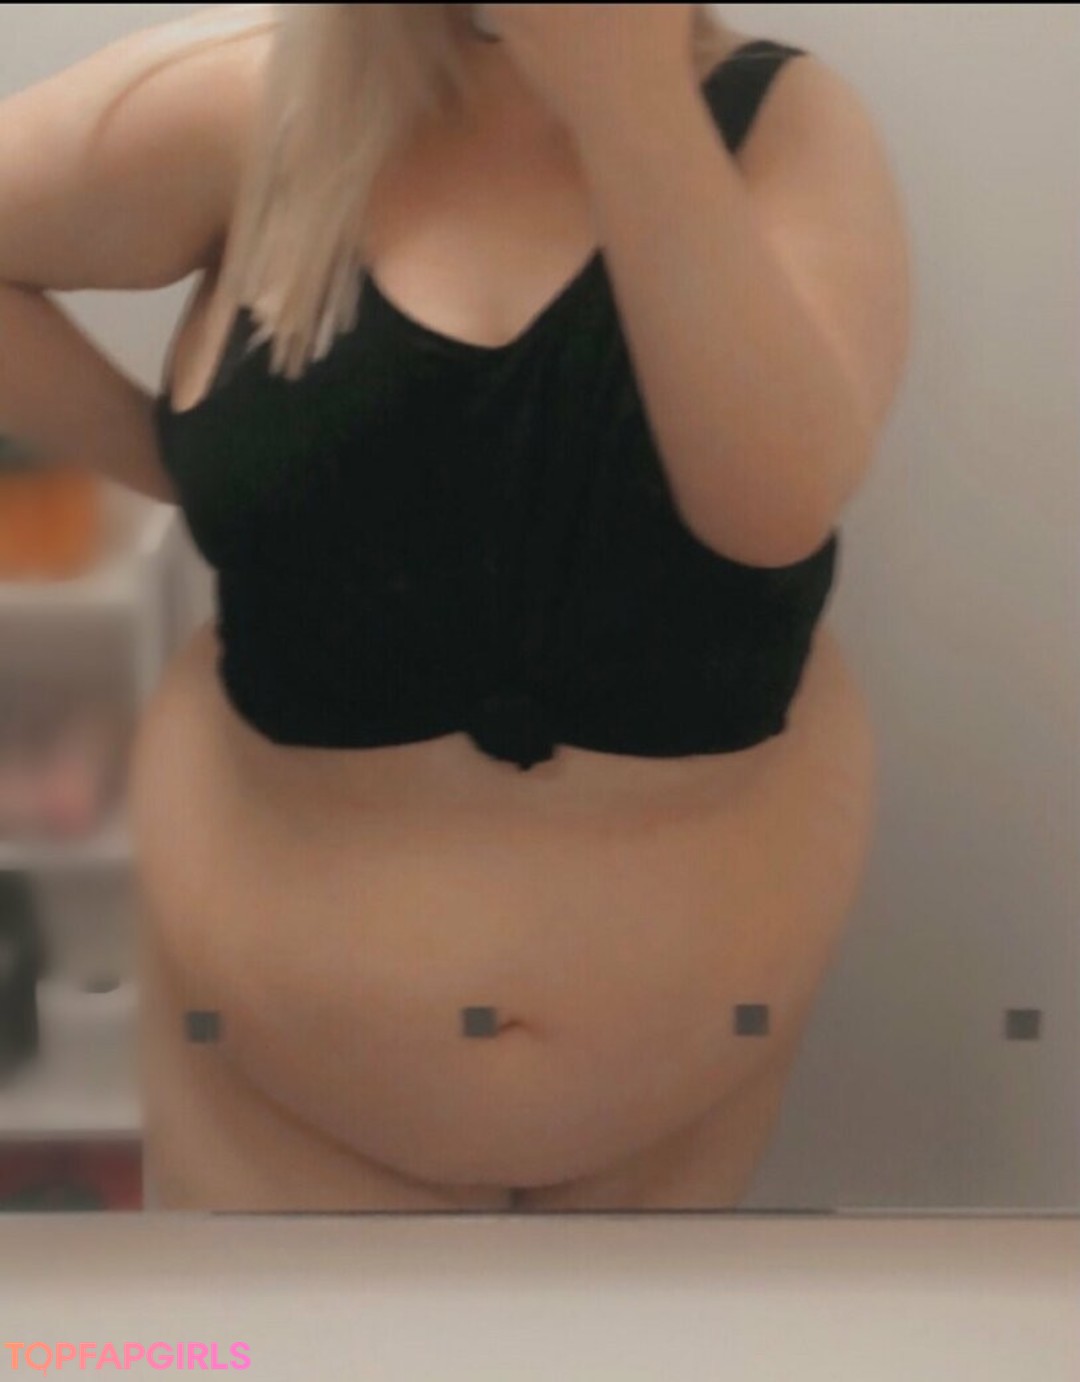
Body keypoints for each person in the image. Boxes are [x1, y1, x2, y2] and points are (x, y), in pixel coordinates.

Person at [0, 4, 911, 1211]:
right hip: (274, 1113)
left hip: (671, 1126)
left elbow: (771, 509)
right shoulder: (250, 101)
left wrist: (631, 104)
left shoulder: (791, 130)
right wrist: (171, 461)